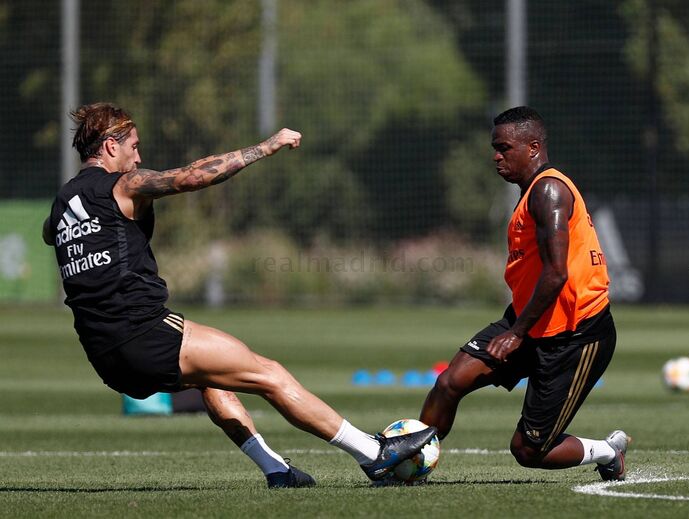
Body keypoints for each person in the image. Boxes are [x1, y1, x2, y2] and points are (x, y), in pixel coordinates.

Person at [43, 102, 436, 488]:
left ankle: (276, 470)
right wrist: (265, 147)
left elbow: (50, 234)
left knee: (212, 380)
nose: (138, 157)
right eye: (134, 146)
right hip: (145, 333)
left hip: (104, 355)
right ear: (111, 146)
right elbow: (192, 176)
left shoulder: (62, 205)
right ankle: (373, 453)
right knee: (270, 374)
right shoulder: (125, 185)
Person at [419, 106, 629, 481]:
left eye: (504, 148)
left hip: (575, 336)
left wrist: (516, 334)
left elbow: (557, 273)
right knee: (449, 383)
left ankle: (607, 451)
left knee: (528, 451)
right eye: (494, 148)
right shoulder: (531, 191)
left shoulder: (548, 190)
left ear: (533, 147)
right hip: (530, 319)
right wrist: (519, 327)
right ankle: (410, 459)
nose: (496, 156)